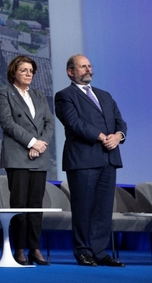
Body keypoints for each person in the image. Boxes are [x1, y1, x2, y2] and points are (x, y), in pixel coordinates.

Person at [55, 54, 127, 267]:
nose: (88, 70)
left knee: (104, 209)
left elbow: (119, 121)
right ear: (71, 72)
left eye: (89, 66)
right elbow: (74, 122)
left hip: (108, 159)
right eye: (83, 66)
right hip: (83, 159)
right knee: (83, 208)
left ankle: (100, 251)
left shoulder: (105, 95)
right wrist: (101, 136)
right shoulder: (64, 96)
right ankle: (83, 251)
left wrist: (118, 136)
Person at [0, 55, 53, 266]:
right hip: (18, 155)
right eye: (24, 70)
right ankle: (19, 249)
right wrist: (31, 143)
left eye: (31, 71)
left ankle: (34, 249)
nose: (29, 74)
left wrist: (40, 144)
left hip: (39, 156)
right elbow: (7, 123)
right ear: (14, 73)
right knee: (19, 205)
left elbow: (49, 123)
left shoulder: (39, 95)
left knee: (36, 206)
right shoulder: (4, 93)